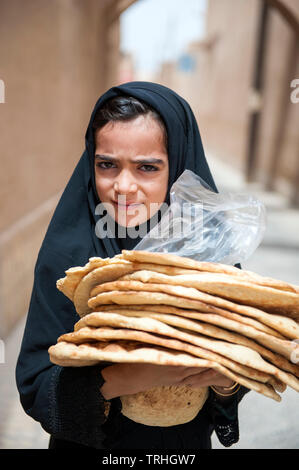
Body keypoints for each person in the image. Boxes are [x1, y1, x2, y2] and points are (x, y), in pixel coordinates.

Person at [16, 81, 249, 450]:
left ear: (178, 167)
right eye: (107, 165)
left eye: (147, 168)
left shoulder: (209, 249)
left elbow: (238, 370)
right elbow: (36, 384)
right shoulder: (68, 252)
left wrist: (226, 380)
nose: (123, 187)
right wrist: (130, 376)